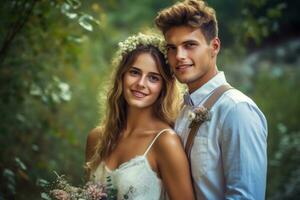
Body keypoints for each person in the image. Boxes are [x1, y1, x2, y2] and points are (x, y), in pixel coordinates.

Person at [155, 0, 268, 199]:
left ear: (214, 46)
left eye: (189, 45)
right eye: (172, 48)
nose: (179, 56)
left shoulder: (236, 109)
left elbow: (245, 196)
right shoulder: (179, 109)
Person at [85, 33, 195, 200]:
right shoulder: (96, 138)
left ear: (163, 87)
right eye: (135, 72)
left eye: (153, 78)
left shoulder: (165, 142)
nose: (141, 84)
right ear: (121, 76)